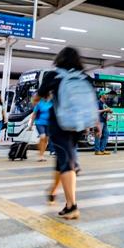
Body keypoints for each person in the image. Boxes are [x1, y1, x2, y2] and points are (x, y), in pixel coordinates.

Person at [32, 47, 100, 220]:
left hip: (60, 125)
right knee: (62, 159)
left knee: (66, 163)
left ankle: (72, 206)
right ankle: (53, 190)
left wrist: (44, 98)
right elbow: (92, 103)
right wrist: (96, 123)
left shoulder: (54, 75)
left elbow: (37, 98)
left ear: (59, 59)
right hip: (79, 126)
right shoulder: (85, 78)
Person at [29, 95, 53, 162]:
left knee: (46, 140)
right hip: (39, 123)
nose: (50, 96)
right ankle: (40, 155)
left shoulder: (51, 103)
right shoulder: (39, 103)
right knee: (42, 137)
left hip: (49, 123)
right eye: (49, 95)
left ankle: (42, 154)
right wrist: (30, 125)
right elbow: (34, 114)